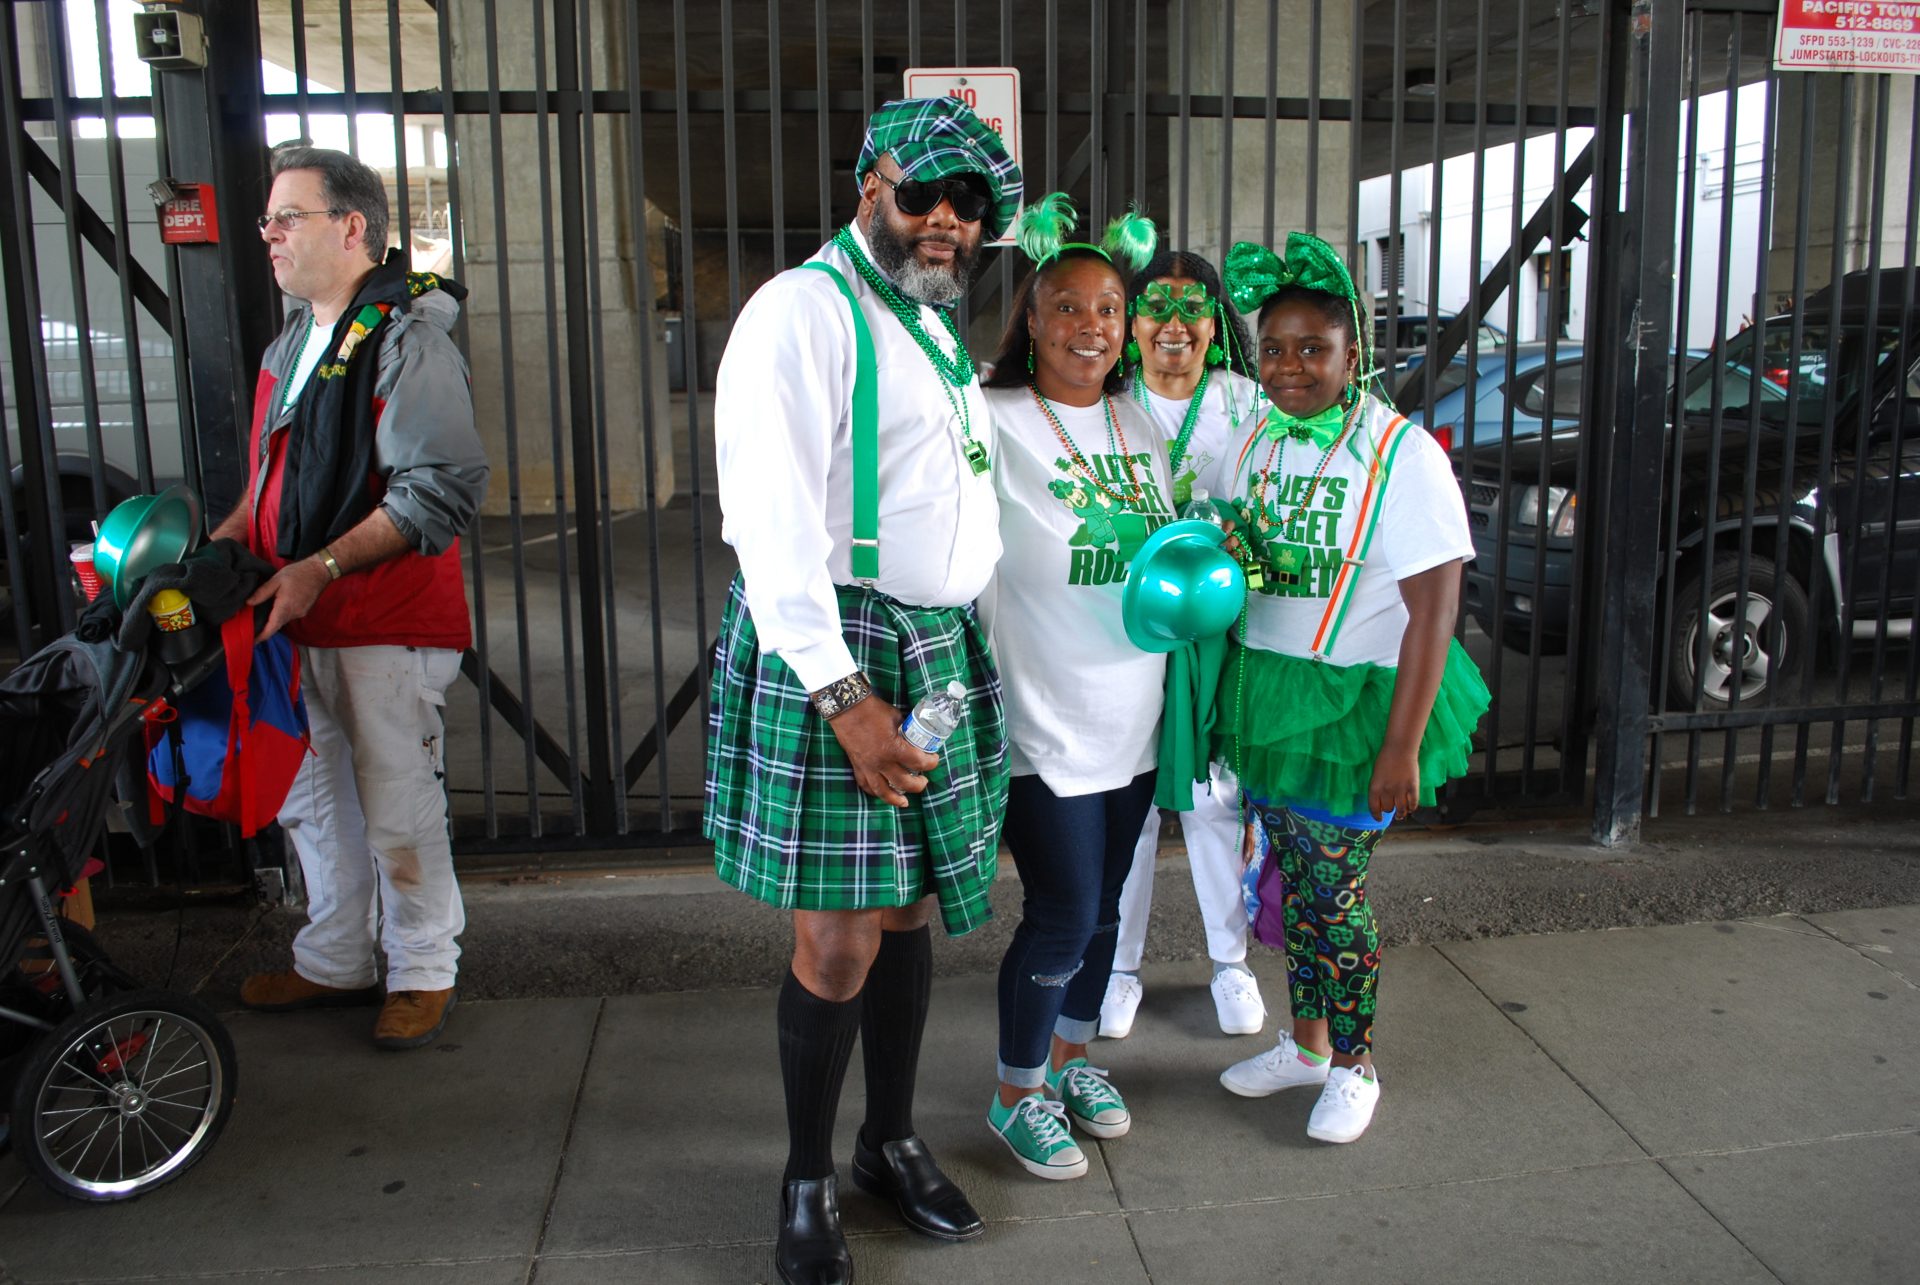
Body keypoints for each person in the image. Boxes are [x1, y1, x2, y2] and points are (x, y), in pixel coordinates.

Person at [704, 98, 1022, 1285]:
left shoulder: (932, 320)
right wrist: (845, 696)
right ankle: (804, 1177)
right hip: (836, 650)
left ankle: (888, 1142)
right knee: (836, 939)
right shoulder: (804, 310)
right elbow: (768, 524)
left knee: (904, 909)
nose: (946, 218)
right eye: (924, 192)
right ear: (867, 189)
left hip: (930, 644)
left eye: (971, 202)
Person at [1208, 234, 1489, 1143]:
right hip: (1272, 704)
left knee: (1335, 895)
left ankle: (1356, 1062)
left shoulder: (1401, 453)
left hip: (1356, 709)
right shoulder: (1256, 436)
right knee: (1290, 881)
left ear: (1353, 355)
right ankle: (1308, 1044)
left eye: (1312, 349)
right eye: (1275, 350)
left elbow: (1436, 604)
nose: (1291, 367)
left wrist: (1402, 744)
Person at [222, 146, 488, 1053]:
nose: (269, 236)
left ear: (352, 228)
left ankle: (422, 967)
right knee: (315, 802)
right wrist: (228, 539)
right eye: (267, 219)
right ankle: (333, 954)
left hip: (382, 622)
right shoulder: (290, 345)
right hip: (295, 622)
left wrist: (320, 569)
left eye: (286, 217)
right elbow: (272, 480)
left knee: (396, 800)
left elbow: (438, 491)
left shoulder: (409, 340)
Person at [976, 194, 1171, 1180]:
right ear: (1033, 319)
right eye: (1067, 307)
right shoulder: (993, 415)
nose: (1089, 325)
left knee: (1104, 914)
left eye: (1107, 309)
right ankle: (1016, 1091)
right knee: (1063, 906)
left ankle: (1068, 1057)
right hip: (1042, 721)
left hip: (1135, 718)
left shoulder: (1141, 424)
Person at [1101, 250, 1268, 1041]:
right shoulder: (1107, 403)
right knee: (1128, 805)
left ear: (1214, 323)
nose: (1174, 324)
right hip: (1127, 633)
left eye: (1191, 308)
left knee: (1214, 799)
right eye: (1155, 307)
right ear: (1131, 325)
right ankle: (1118, 969)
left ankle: (1230, 964)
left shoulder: (1249, 404)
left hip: (1219, 636)